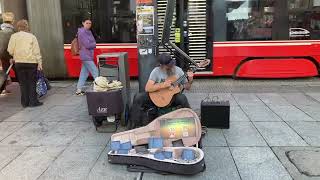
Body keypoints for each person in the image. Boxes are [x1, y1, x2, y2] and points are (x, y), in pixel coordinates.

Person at [127, 53, 194, 129]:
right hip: (157, 97)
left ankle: (192, 122)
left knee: (183, 98)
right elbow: (147, 88)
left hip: (172, 98)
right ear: (161, 65)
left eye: (171, 64)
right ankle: (133, 124)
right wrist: (163, 85)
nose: (170, 66)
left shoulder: (178, 70)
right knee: (138, 97)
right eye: (168, 66)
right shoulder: (156, 71)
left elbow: (187, 87)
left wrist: (190, 80)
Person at [7, 19, 43, 107]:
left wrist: (16, 53)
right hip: (31, 62)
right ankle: (33, 102)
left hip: (19, 63)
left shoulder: (13, 36)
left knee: (23, 83)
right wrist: (40, 63)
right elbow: (37, 52)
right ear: (26, 26)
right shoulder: (32, 37)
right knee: (31, 82)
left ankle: (25, 102)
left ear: (18, 27)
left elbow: (10, 50)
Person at [76, 18, 99, 95]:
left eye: (90, 23)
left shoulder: (87, 31)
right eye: (87, 23)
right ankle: (100, 87)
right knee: (95, 71)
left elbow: (89, 43)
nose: (89, 25)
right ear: (83, 23)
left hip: (87, 55)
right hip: (86, 55)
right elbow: (87, 44)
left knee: (84, 73)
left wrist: (92, 43)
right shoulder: (82, 32)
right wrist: (94, 44)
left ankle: (79, 90)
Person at [0, 12, 15, 95]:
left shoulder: (1, 30)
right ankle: (26, 89)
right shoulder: (12, 32)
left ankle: (3, 89)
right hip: (11, 55)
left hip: (2, 54)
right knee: (18, 71)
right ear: (12, 20)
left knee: (5, 71)